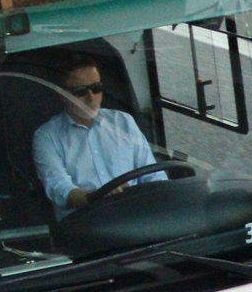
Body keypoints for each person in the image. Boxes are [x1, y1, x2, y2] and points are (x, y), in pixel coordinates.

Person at [32, 58, 160, 217]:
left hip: (134, 213)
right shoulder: (47, 136)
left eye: (96, 88)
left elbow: (153, 174)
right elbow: (59, 189)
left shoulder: (123, 121)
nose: (91, 98)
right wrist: (96, 196)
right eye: (80, 91)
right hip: (86, 222)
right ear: (62, 94)